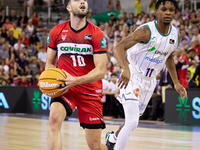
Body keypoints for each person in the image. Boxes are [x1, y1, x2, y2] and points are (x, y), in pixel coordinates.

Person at [105, 1, 187, 150]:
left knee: (131, 121)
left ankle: (112, 138)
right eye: (164, 9)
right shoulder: (145, 31)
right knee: (132, 122)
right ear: (156, 12)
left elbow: (168, 56)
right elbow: (119, 47)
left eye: (171, 10)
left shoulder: (175, 35)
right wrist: (125, 68)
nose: (168, 12)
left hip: (149, 82)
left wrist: (176, 82)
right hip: (132, 76)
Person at [46, 0, 107, 150]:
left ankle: (110, 146)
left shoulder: (96, 33)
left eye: (85, 0)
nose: (82, 2)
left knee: (95, 146)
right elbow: (49, 63)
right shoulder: (56, 31)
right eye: (77, 0)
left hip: (90, 90)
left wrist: (76, 80)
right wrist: (49, 80)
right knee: (53, 119)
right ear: (68, 7)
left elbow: (101, 71)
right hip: (66, 88)